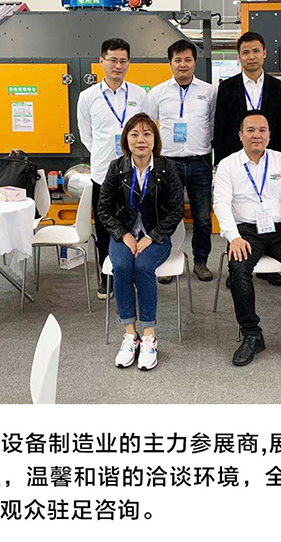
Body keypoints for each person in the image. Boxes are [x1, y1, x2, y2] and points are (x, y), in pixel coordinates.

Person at [213, 110, 281, 368]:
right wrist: (233, 237)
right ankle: (252, 334)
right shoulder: (228, 165)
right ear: (240, 135)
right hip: (245, 231)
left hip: (278, 229)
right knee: (238, 268)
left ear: (269, 134)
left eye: (262, 130)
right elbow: (221, 203)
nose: (257, 135)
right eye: (251, 130)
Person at [97, 113, 184, 370]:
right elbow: (103, 209)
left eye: (147, 134)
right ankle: (129, 335)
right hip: (124, 234)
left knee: (144, 266)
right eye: (134, 134)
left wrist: (152, 236)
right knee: (122, 266)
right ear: (126, 140)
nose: (141, 140)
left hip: (156, 235)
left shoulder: (167, 168)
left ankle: (149, 336)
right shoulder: (116, 167)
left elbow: (176, 210)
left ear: (155, 139)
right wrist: (123, 234)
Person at [213, 30, 281, 287]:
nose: (251, 56)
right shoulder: (227, 87)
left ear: (264, 53)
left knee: (268, 204)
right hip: (236, 162)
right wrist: (220, 163)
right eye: (245, 52)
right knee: (235, 211)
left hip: (268, 160)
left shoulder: (276, 87)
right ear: (239, 56)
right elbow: (220, 126)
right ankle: (236, 267)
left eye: (256, 51)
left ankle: (268, 265)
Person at [77, 38, 149, 299]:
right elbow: (86, 136)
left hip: (135, 173)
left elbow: (146, 130)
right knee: (104, 227)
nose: (118, 65)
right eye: (113, 60)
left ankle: (134, 273)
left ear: (129, 63)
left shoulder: (140, 95)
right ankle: (106, 277)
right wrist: (106, 155)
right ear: (102, 61)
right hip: (103, 173)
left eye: (123, 61)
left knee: (136, 224)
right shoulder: (87, 97)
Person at [146, 39, 216, 282]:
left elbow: (213, 123)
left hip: (200, 162)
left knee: (203, 217)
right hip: (168, 163)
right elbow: (149, 127)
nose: (183, 64)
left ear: (195, 62)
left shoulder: (209, 91)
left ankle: (201, 262)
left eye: (188, 59)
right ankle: (166, 260)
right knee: (167, 216)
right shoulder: (157, 93)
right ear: (170, 63)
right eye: (178, 60)